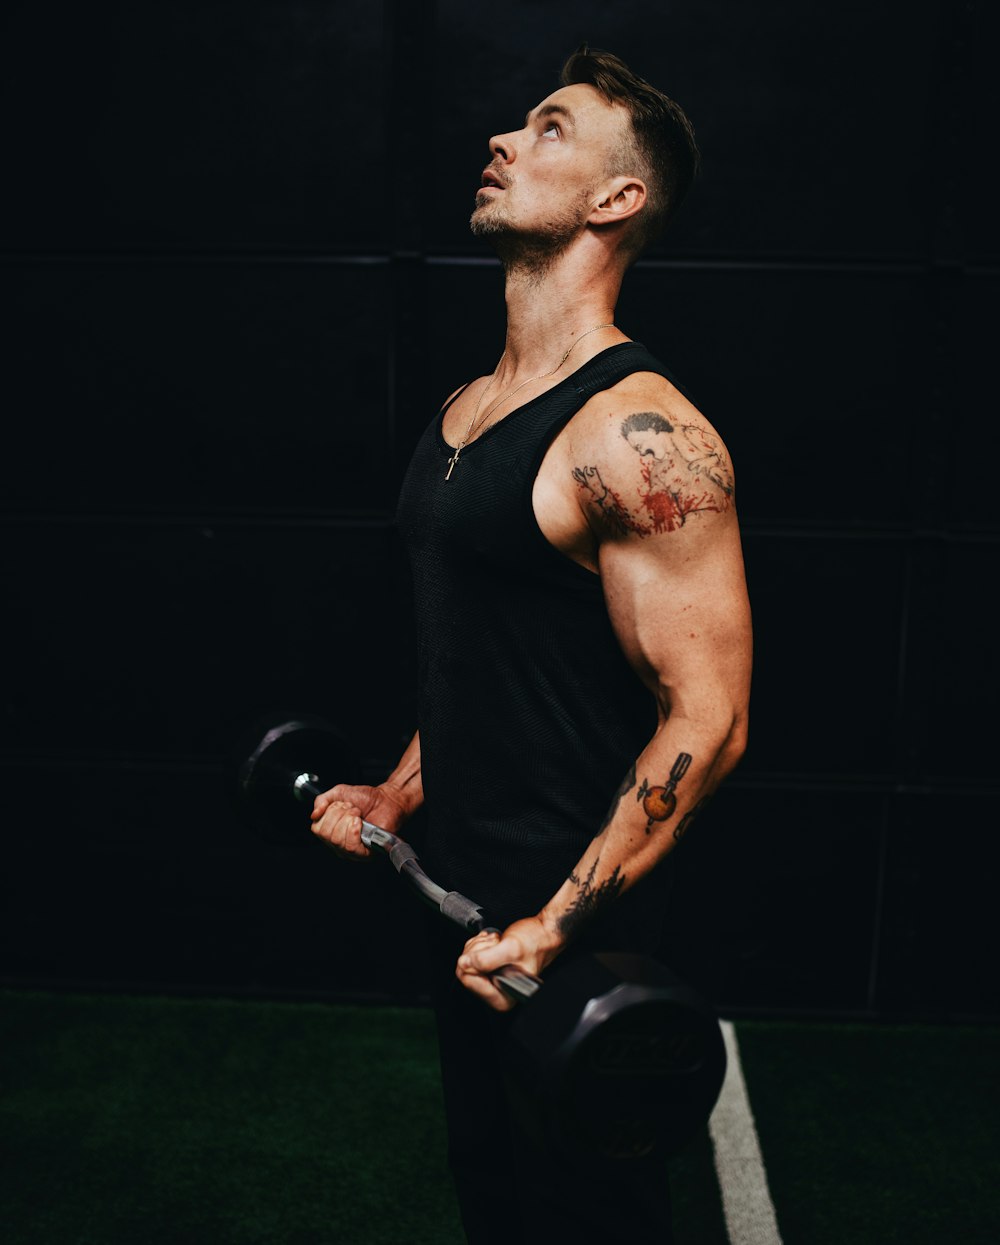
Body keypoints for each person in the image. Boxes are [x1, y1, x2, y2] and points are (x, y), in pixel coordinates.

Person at [311, 45, 752, 1245]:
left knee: (588, 1215)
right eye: (516, 125)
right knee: (491, 1194)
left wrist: (558, 922)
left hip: (572, 919)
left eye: (549, 129)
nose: (505, 141)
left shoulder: (639, 436)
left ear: (617, 200)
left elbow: (704, 717)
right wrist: (397, 790)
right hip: (458, 903)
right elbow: (478, 652)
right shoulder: (467, 411)